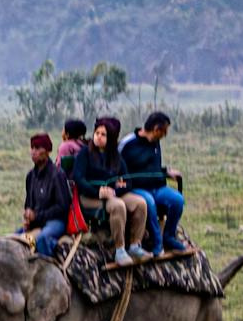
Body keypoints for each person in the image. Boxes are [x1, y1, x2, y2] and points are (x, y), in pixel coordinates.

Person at [73, 116, 148, 266]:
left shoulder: (115, 156)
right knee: (118, 206)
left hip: (112, 194)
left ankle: (135, 245)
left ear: (111, 138)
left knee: (140, 203)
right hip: (90, 196)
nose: (99, 137)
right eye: (97, 133)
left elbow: (127, 179)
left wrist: (116, 189)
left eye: (103, 134)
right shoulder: (84, 153)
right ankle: (119, 250)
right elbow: (79, 179)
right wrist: (98, 192)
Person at [120, 111, 187, 255]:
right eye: (164, 131)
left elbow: (152, 167)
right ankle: (157, 241)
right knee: (149, 202)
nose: (165, 135)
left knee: (177, 200)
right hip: (137, 189)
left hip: (157, 187)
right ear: (156, 129)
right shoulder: (128, 144)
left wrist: (166, 171)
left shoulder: (155, 142)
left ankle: (168, 236)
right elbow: (117, 166)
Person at [21, 132, 72, 258]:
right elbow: (29, 203)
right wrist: (28, 214)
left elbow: (63, 207)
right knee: (14, 240)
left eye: (38, 148)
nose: (33, 152)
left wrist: (37, 216)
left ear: (48, 151)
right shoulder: (30, 176)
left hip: (56, 221)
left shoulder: (57, 175)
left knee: (42, 239)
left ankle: (52, 266)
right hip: (37, 222)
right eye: (32, 148)